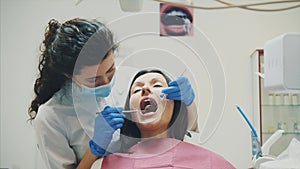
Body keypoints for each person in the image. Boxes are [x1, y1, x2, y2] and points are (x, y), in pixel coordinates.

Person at [28, 18, 198, 169]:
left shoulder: (129, 82)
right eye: (93, 80)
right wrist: (94, 148)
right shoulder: (50, 118)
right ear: (69, 75)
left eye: (110, 71)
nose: (107, 83)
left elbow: (189, 125)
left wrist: (188, 103)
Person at [95, 69, 235, 169]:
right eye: (136, 90)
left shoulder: (212, 163)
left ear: (175, 104)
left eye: (156, 85)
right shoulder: (106, 165)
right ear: (130, 114)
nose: (145, 89)